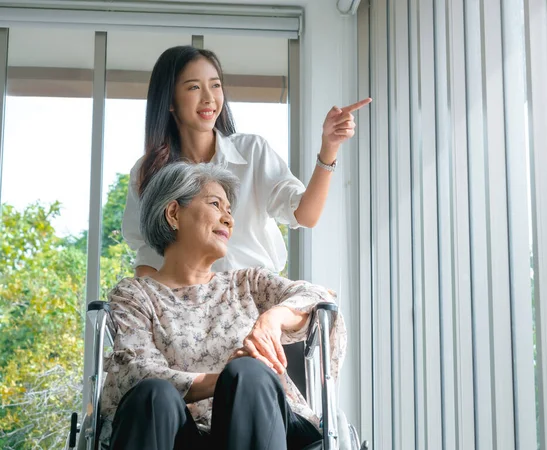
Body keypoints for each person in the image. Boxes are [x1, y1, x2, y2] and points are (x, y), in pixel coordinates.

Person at [101, 162, 347, 450]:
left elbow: (319, 298)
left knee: (249, 374)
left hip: (272, 428)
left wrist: (272, 320)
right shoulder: (135, 295)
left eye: (229, 211)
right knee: (154, 394)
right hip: (179, 435)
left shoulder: (248, 282)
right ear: (173, 213)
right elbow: (134, 372)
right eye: (216, 204)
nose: (229, 220)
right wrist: (226, 383)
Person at [121, 45, 371, 275]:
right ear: (170, 101)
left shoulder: (252, 151)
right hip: (186, 308)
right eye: (194, 87)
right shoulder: (148, 171)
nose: (209, 98)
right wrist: (156, 308)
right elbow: (146, 252)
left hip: (254, 298)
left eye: (215, 85)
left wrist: (330, 147)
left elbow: (305, 216)